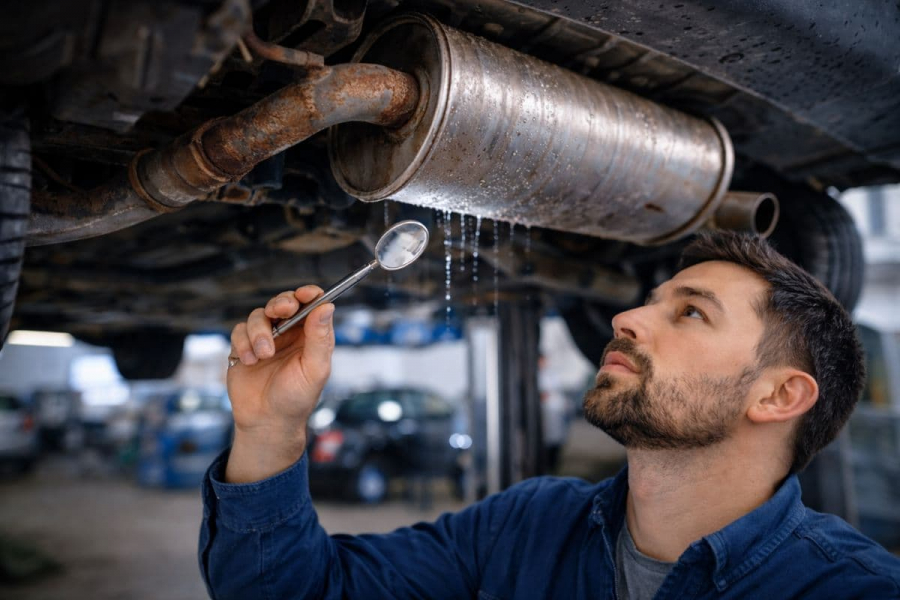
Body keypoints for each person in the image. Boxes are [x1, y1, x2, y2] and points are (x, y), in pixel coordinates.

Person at [198, 232, 900, 599]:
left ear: (778, 397)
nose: (625, 318)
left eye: (689, 312)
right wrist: (268, 428)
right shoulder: (525, 525)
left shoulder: (852, 591)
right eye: (649, 301)